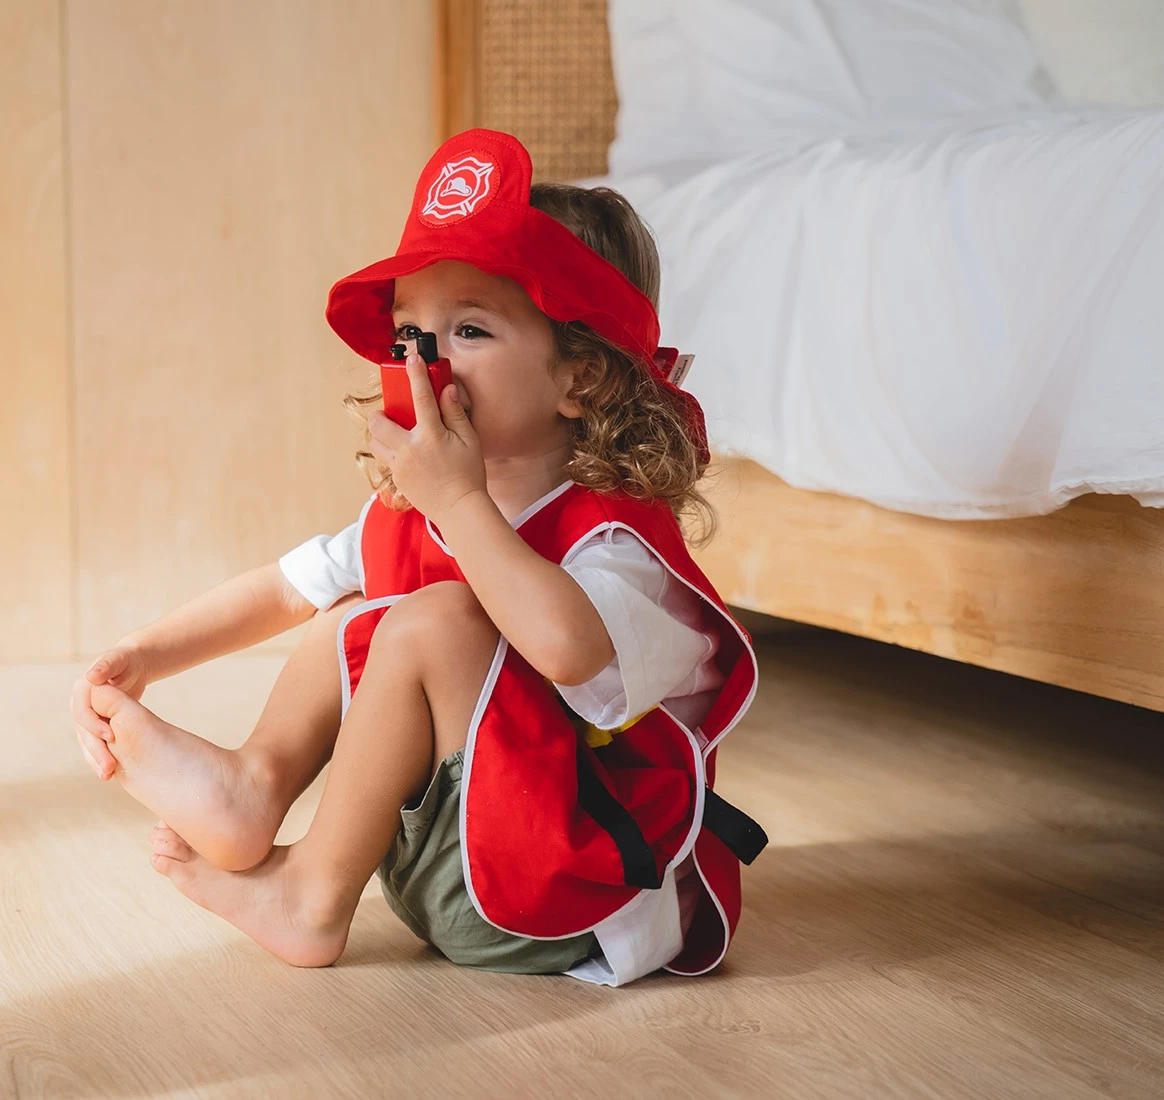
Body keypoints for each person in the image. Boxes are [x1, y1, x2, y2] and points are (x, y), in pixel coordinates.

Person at [68, 128, 765, 986]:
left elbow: (568, 649)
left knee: (437, 619)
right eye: (407, 333)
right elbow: (285, 589)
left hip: (569, 892)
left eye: (469, 329)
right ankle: (254, 786)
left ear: (580, 378)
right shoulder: (417, 509)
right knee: (350, 614)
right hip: (444, 854)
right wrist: (144, 656)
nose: (423, 360)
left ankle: (310, 899)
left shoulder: (615, 541)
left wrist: (460, 503)